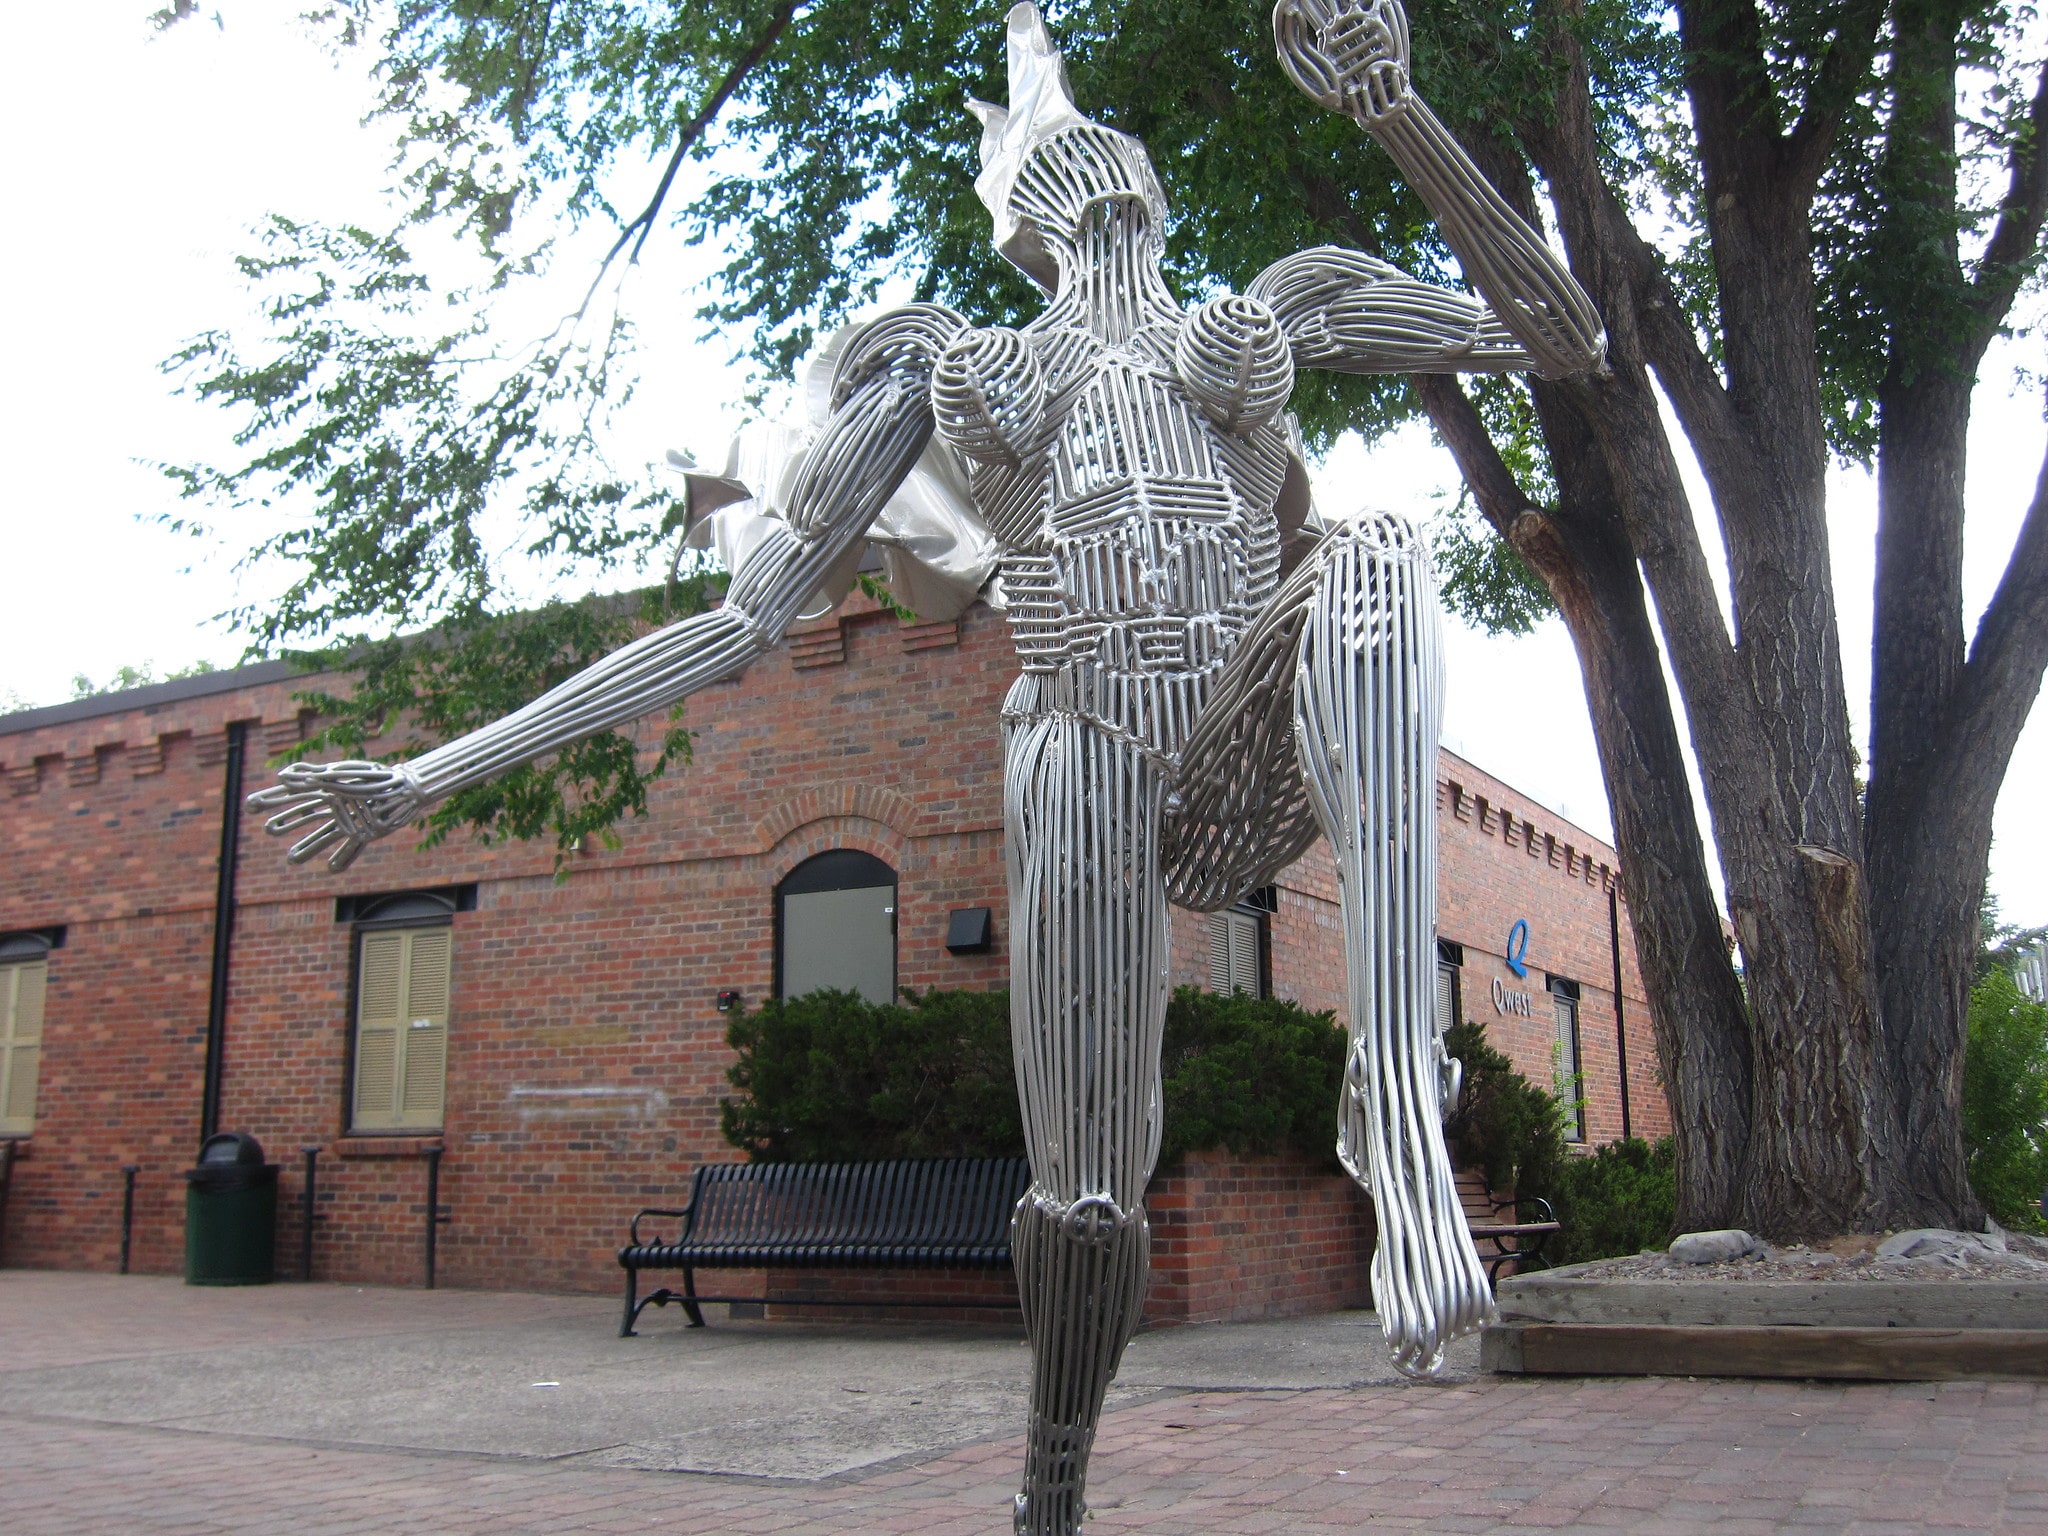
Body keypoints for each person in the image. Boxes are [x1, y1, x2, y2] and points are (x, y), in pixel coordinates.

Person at [251, 5, 1604, 1530]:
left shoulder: (1268, 318)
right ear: (1021, 227)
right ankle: (1051, 1485)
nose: (1089, 181)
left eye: (1106, 164)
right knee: (1090, 1187)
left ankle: (1392, 1103)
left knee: (1379, 551)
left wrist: (1395, 110)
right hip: (1085, 764)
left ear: (1153, 198)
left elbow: (1566, 336)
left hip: (1238, 755)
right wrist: (428, 778)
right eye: (1052, 167)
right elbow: (739, 624)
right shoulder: (965, 372)